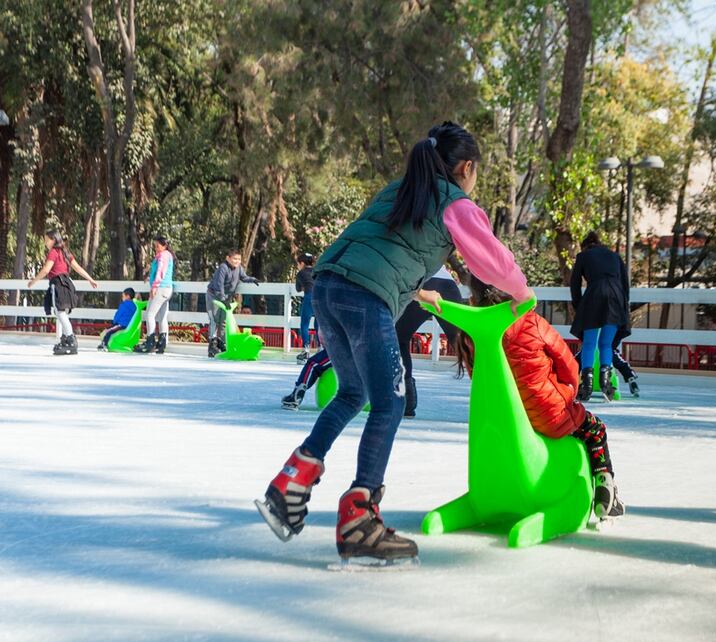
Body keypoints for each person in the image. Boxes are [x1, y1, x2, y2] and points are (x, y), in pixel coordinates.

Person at [256, 121, 532, 564]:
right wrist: (522, 291)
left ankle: (293, 479)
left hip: (328, 285)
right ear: (466, 168)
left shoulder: (399, 189)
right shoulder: (455, 203)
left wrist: (411, 289)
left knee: (353, 392)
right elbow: (491, 260)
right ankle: (359, 519)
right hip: (364, 295)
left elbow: (386, 244)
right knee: (390, 400)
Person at [454, 275, 624, 522]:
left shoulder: (471, 333)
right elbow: (568, 365)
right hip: (548, 415)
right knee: (595, 429)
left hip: (506, 422)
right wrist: (567, 393)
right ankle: (603, 484)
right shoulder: (531, 322)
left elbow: (480, 378)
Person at [394, 265, 464, 417]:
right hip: (447, 284)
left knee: (399, 339)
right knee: (465, 346)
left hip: (420, 285)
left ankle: (406, 400)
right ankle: (497, 394)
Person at [570, 231, 631, 402]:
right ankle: (606, 384)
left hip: (594, 296)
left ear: (585, 245)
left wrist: (578, 305)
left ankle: (587, 386)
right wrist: (624, 307)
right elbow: (625, 285)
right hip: (616, 298)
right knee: (606, 344)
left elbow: (574, 283)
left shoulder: (583, 256)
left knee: (589, 343)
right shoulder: (615, 256)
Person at [27, 230, 98, 355]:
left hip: (58, 284)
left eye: (46, 240)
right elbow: (77, 268)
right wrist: (90, 279)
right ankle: (66, 339)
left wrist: (34, 281)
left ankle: (70, 339)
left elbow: (46, 270)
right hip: (67, 283)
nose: (45, 242)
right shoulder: (65, 252)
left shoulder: (54, 252)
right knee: (63, 312)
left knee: (59, 312)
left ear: (53, 240)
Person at [205, 249, 260, 358]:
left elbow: (243, 277)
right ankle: (213, 344)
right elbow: (219, 285)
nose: (237, 261)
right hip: (214, 295)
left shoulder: (239, 268)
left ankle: (221, 342)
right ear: (228, 258)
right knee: (214, 319)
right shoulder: (223, 268)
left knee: (223, 320)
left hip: (226, 297)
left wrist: (252, 279)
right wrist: (223, 298)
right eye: (235, 259)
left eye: (239, 259)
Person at [134, 236, 177, 354]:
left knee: (149, 314)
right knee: (162, 317)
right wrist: (149, 278)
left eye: (157, 246)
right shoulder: (167, 256)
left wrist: (154, 286)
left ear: (164, 246)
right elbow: (158, 271)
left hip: (161, 288)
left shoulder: (163, 256)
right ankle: (162, 343)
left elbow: (160, 272)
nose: (156, 248)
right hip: (167, 288)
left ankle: (150, 341)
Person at [572, 328, 640, 397]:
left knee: (578, 360)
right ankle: (630, 377)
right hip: (602, 349)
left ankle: (630, 378)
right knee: (616, 359)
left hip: (593, 348)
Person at [295, 252, 317, 363]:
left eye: (298, 264)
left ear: (302, 263)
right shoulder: (317, 271)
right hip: (319, 298)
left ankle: (306, 350)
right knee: (319, 323)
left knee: (304, 324)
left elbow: (298, 289)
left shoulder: (301, 273)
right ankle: (321, 348)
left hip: (309, 297)